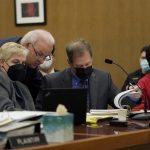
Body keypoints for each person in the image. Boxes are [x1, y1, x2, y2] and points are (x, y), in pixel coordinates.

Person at [36, 39, 120, 111]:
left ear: (92, 58)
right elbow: (40, 111)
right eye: (79, 66)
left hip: (97, 128)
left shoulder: (103, 78)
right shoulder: (52, 81)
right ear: (70, 63)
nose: (84, 68)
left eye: (87, 64)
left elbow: (119, 100)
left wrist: (131, 97)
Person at [0, 29, 55, 102]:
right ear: (27, 45)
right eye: (40, 54)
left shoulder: (31, 64)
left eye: (45, 57)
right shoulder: (4, 50)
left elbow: (37, 90)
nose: (41, 61)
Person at [0, 42, 35, 111]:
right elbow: (5, 109)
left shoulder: (22, 86)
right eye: (16, 62)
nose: (20, 66)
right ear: (1, 63)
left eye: (23, 63)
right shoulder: (1, 78)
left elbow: (32, 110)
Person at [130, 45, 150, 110]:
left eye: (146, 58)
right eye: (142, 58)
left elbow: (143, 107)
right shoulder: (133, 76)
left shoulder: (144, 81)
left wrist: (130, 110)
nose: (143, 61)